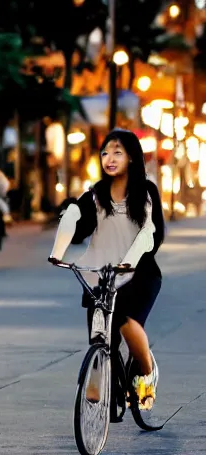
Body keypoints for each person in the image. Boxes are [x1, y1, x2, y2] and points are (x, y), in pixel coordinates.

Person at [49, 129, 165, 410]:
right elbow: (77, 219)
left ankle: (147, 373)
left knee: (126, 321)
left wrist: (132, 259)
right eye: (105, 152)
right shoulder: (96, 194)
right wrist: (58, 251)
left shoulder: (145, 191)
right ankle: (102, 388)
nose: (109, 158)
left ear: (132, 158)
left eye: (117, 152)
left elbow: (150, 232)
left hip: (140, 273)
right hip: (103, 274)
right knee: (100, 334)